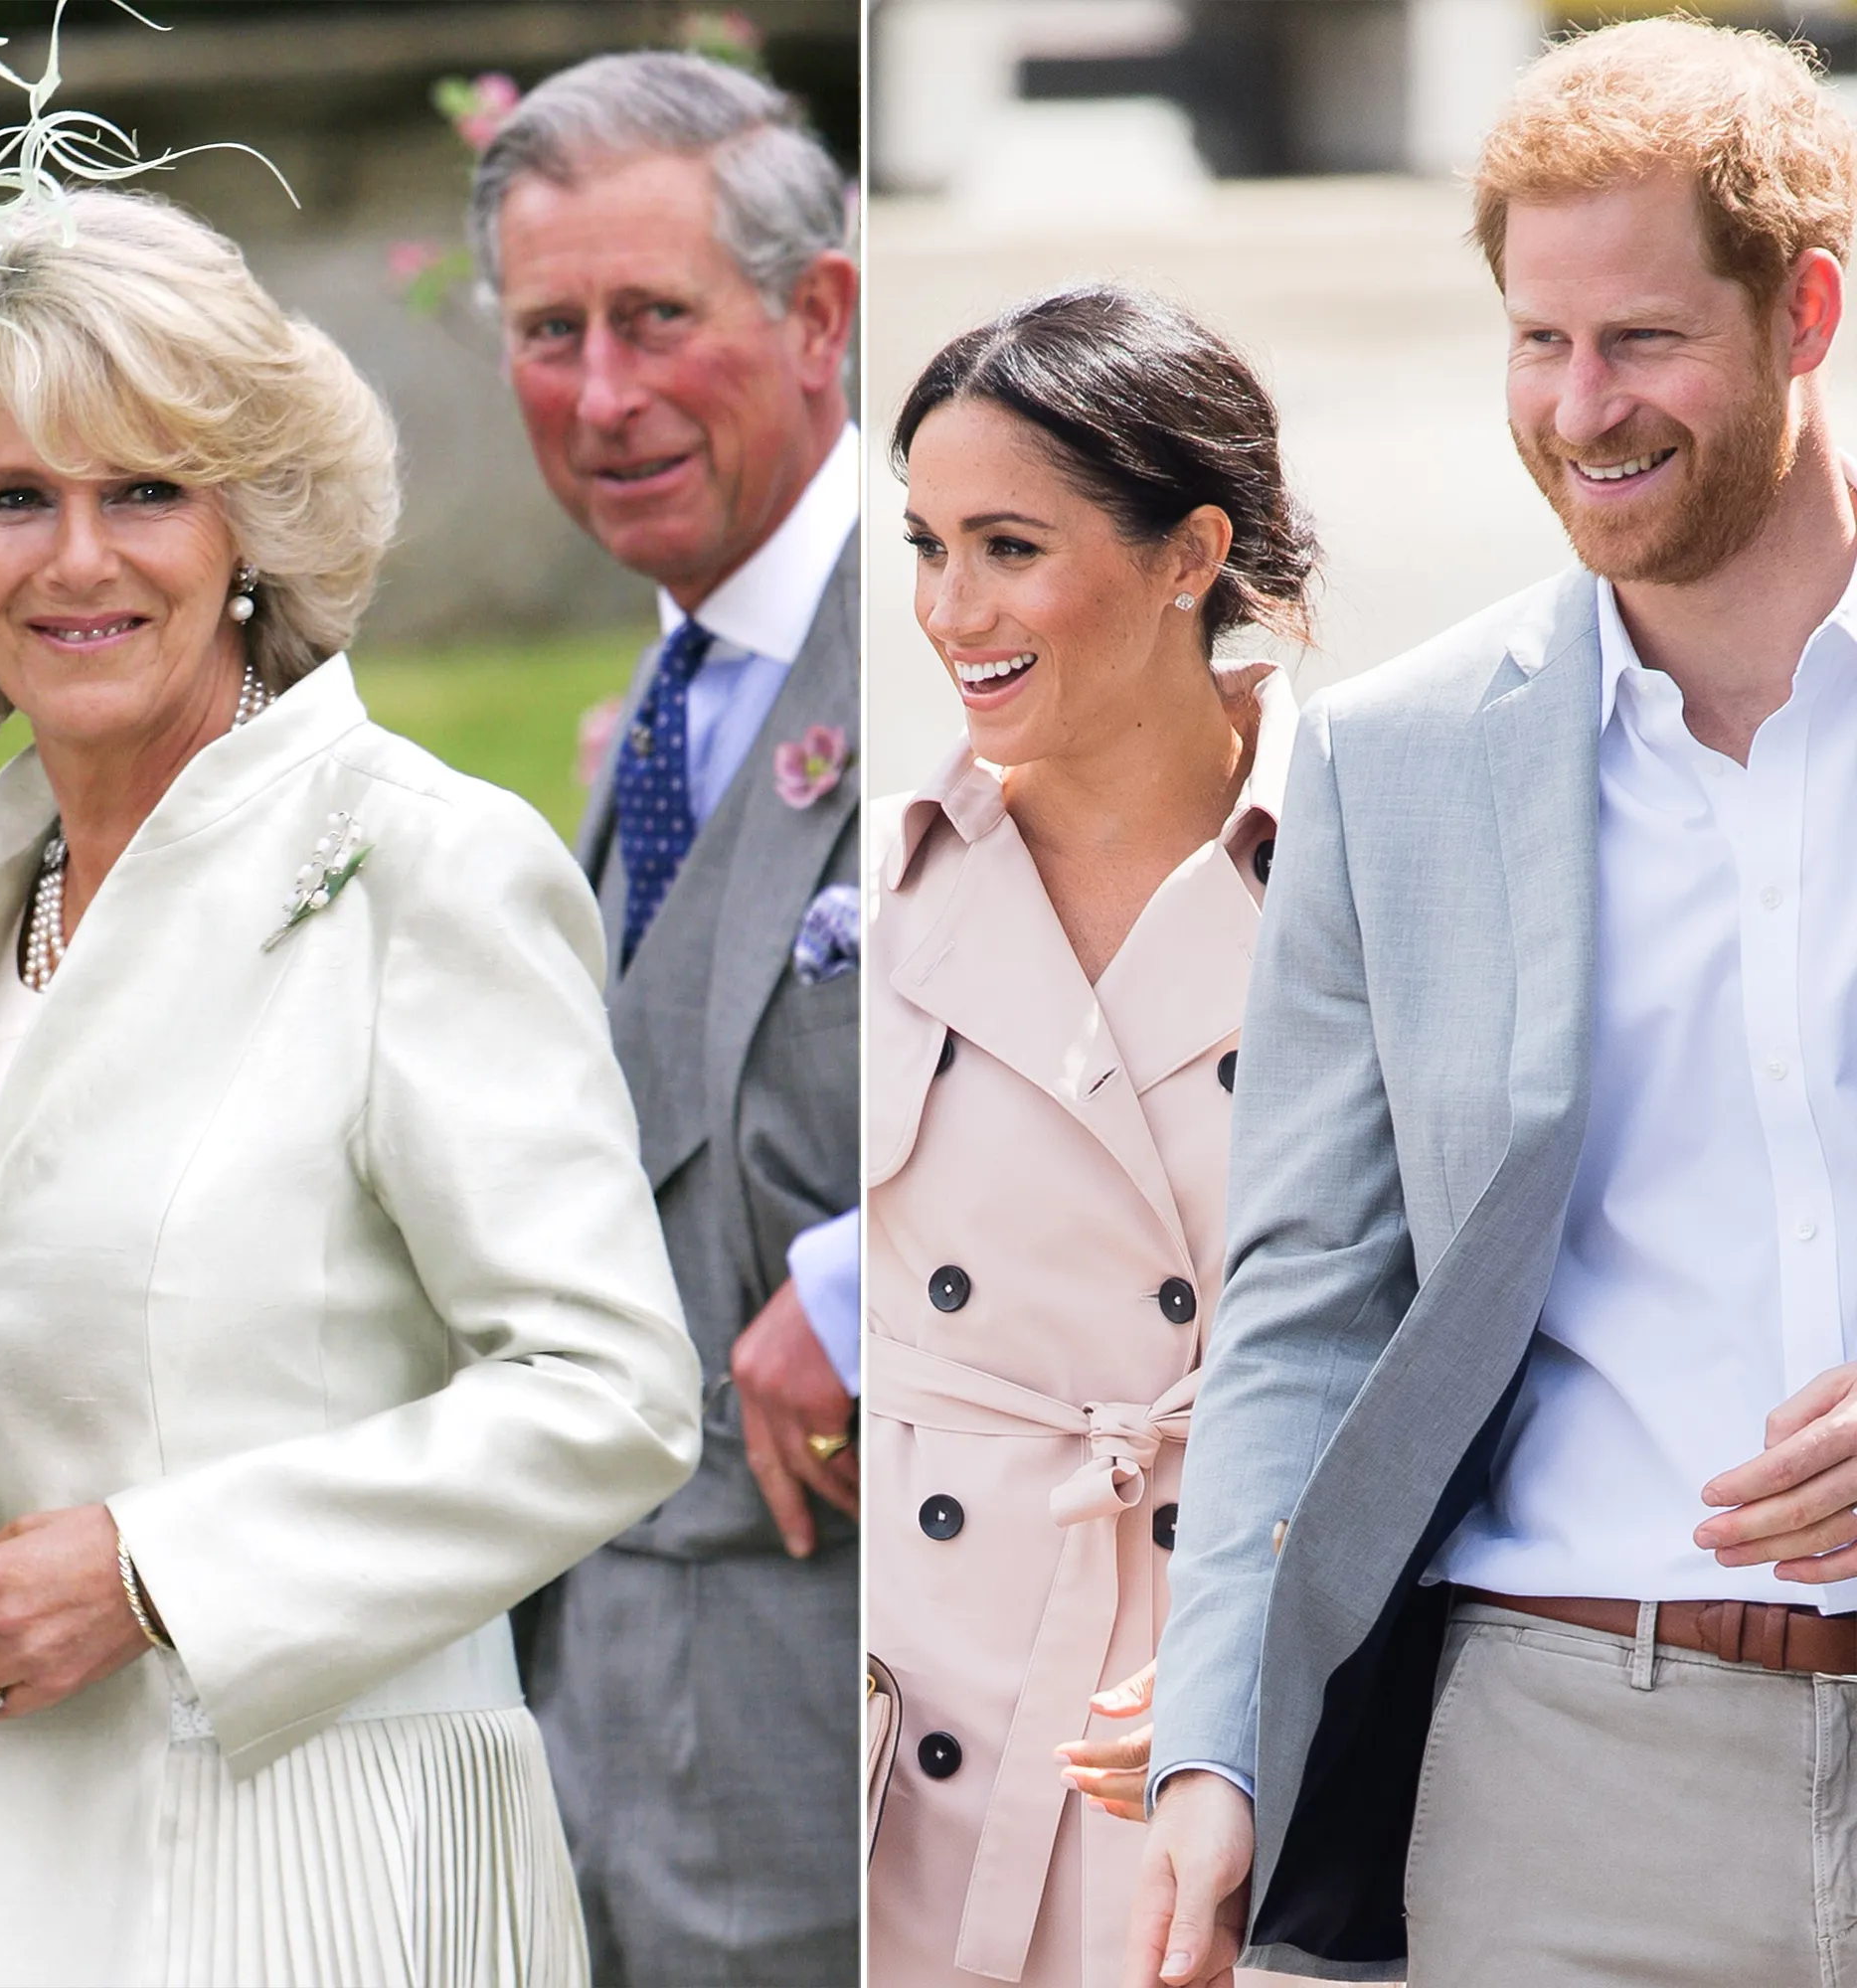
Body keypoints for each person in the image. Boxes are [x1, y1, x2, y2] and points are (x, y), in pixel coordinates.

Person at [0, 188, 702, 1988]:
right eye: (16, 498)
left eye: (144, 492)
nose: (75, 560)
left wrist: (161, 1570)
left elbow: (611, 1395)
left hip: (305, 1861)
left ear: (250, 518)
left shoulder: (421, 864)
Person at [1128, 20, 1857, 1987]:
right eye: (1536, 342)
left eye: (1639, 340)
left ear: (1805, 309)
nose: (1577, 406)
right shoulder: (1400, 764)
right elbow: (1300, 1304)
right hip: (1567, 1779)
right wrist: (1216, 1744)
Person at [867, 286, 1316, 1988]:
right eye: (924, 545)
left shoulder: (1370, 867)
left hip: (1229, 1714)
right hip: (920, 1736)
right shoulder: (881, 893)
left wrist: (1271, 1664)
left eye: (1005, 548)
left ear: (1189, 551)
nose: (947, 610)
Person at [468, 51, 862, 1987]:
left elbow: (1229, 1054)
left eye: (653, 321)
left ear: (820, 318)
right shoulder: (649, 721)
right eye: (552, 332)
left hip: (860, 1718)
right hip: (595, 1719)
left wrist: (890, 1276)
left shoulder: (978, 620)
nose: (602, 396)